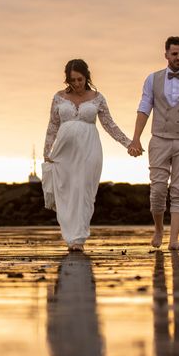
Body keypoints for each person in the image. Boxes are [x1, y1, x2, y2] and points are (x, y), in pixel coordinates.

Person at [128, 36, 179, 250]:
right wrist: (136, 138)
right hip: (159, 140)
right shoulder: (152, 79)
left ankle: (174, 240)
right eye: (174, 54)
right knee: (157, 190)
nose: (178, 57)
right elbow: (144, 108)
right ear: (166, 55)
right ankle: (158, 228)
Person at [43, 59, 135, 252]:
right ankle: (70, 236)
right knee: (67, 192)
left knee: (84, 191)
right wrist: (47, 151)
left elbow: (109, 124)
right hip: (64, 153)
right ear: (67, 80)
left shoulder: (98, 98)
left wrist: (128, 143)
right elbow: (53, 126)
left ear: (87, 77)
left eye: (80, 79)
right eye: (72, 80)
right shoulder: (59, 97)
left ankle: (79, 238)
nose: (77, 84)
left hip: (90, 150)